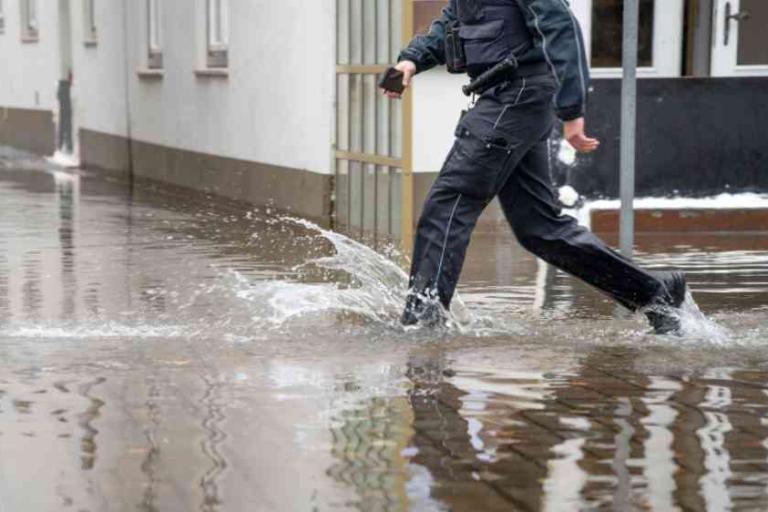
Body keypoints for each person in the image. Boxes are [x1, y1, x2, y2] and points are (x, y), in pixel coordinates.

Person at [381, 0, 689, 334]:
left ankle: (422, 324)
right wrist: (412, 59)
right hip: (504, 97)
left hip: (518, 95)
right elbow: (453, 23)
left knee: (448, 205)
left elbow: (560, 27)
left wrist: (572, 110)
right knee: (539, 227)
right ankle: (654, 294)